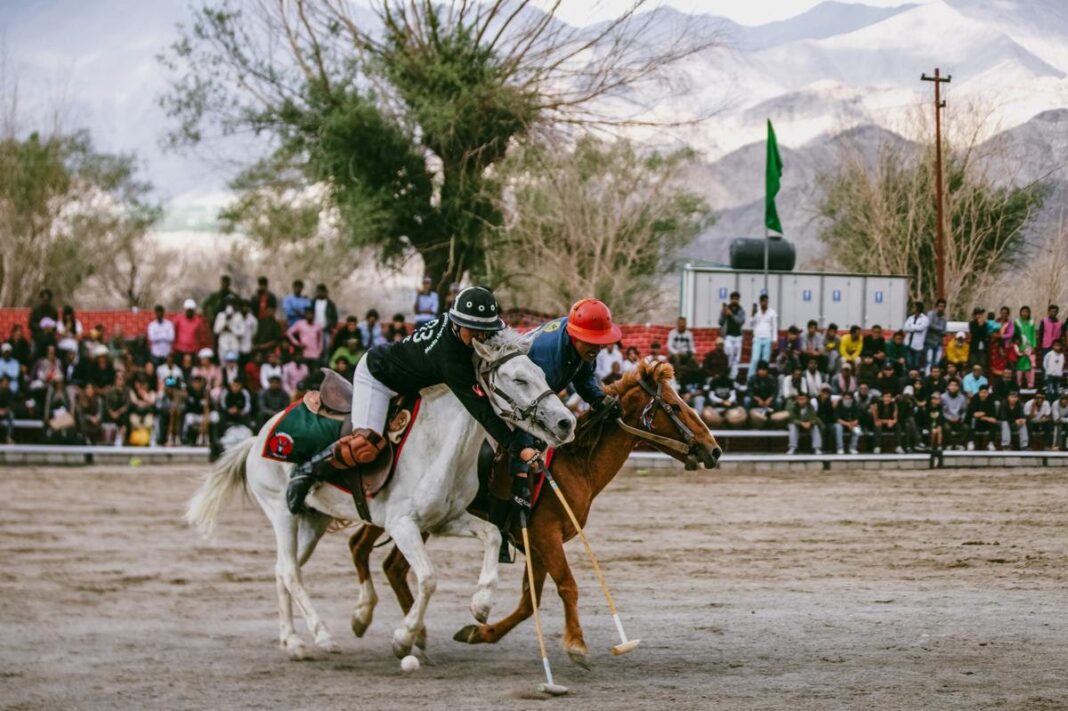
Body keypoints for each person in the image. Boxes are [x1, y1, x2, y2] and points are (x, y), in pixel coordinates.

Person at [286, 286, 542, 515]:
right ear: (456, 324)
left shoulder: (460, 328)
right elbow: (481, 410)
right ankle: (308, 471)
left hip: (414, 383)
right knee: (368, 443)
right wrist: (517, 447)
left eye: (485, 331)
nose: (480, 337)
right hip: (378, 377)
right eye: (473, 330)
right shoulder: (451, 359)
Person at [718, 291, 746, 379]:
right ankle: (727, 374)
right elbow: (720, 322)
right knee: (728, 355)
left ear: (739, 300)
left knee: (736, 358)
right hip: (728, 336)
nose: (734, 300)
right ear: (730, 299)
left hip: (738, 336)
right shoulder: (726, 308)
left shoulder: (741, 310)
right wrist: (723, 313)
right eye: (733, 299)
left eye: (736, 299)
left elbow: (740, 322)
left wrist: (731, 314)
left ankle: (733, 377)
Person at [786, 391, 822, 455]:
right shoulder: (793, 407)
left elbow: (815, 418)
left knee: (815, 427)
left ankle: (817, 448)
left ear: (807, 399)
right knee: (792, 426)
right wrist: (801, 423)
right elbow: (792, 419)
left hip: (808, 425)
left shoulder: (810, 407)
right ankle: (792, 447)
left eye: (803, 399)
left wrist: (810, 423)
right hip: (797, 425)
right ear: (797, 399)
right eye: (800, 399)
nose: (801, 401)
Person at [747, 294, 777, 370]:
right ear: (760, 302)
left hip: (767, 338)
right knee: (755, 359)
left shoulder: (772, 312)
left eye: (766, 301)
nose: (764, 303)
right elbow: (750, 324)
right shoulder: (756, 311)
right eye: (763, 301)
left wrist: (774, 340)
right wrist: (752, 315)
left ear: (768, 302)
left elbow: (774, 327)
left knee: (765, 360)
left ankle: (764, 375)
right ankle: (751, 376)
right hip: (757, 338)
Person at [966, 384, 999, 451]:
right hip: (976, 422)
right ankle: (971, 442)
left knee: (994, 423)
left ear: (988, 393)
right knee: (972, 420)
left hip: (986, 423)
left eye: (985, 392)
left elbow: (993, 416)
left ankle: (990, 443)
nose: (983, 394)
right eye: (982, 392)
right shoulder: (975, 398)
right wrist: (985, 414)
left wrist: (983, 415)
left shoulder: (991, 399)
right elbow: (973, 414)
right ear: (979, 393)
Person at [312, 284, 339, 362]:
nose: (319, 293)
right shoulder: (313, 302)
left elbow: (335, 318)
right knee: (315, 347)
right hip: (314, 330)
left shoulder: (330, 304)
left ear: (325, 292)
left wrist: (330, 327)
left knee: (326, 348)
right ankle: (315, 363)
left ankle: (325, 363)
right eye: (318, 291)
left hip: (326, 330)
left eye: (321, 292)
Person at [941, 379, 967, 449]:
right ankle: (949, 444)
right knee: (946, 428)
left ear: (958, 387)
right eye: (951, 385)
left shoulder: (962, 397)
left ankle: (959, 444)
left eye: (956, 385)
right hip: (947, 420)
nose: (953, 387)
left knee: (966, 427)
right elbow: (942, 412)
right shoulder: (943, 397)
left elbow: (964, 411)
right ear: (948, 387)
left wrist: (960, 417)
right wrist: (949, 418)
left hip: (958, 419)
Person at [903, 302, 929, 371]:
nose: (912, 308)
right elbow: (905, 327)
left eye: (914, 307)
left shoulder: (925, 319)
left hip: (917, 345)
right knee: (909, 363)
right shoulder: (910, 318)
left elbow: (921, 328)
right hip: (908, 343)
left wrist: (911, 327)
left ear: (918, 308)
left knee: (916, 364)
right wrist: (914, 327)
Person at [925, 299, 947, 372]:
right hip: (930, 342)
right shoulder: (930, 314)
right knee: (929, 361)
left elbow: (944, 331)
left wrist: (937, 329)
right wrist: (940, 328)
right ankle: (927, 375)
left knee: (937, 362)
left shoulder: (944, 318)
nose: (941, 308)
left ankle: (935, 375)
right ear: (936, 306)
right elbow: (929, 325)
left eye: (943, 306)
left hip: (939, 342)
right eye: (940, 306)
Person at [967, 307, 989, 373]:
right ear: (975, 315)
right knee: (973, 363)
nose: (979, 316)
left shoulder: (985, 324)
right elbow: (974, 333)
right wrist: (979, 325)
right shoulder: (971, 324)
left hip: (983, 347)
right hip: (974, 347)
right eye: (978, 314)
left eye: (980, 314)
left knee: (983, 364)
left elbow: (984, 334)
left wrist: (982, 325)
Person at [238, 300, 258, 365]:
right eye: (243, 306)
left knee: (247, 365)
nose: (245, 308)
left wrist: (252, 344)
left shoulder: (253, 319)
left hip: (248, 346)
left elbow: (254, 333)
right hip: (237, 346)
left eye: (246, 306)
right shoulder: (237, 317)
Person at [0, 374, 15, 443]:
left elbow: (10, 405)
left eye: (8, 382)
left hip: (4, 412)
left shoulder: (9, 392)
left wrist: (5, 411)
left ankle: (8, 436)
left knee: (11, 414)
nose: (6, 384)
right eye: (5, 382)